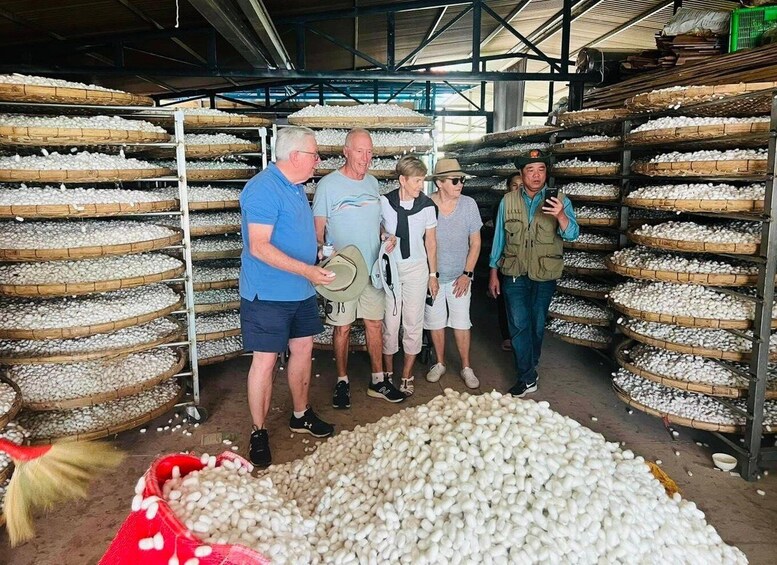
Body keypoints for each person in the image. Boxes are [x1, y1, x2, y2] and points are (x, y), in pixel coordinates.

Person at [239, 126, 335, 468]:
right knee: (265, 361)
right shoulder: (262, 189)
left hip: (300, 290)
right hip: (268, 293)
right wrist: (307, 269)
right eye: (314, 154)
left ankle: (300, 413)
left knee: (303, 350)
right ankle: (259, 431)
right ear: (295, 156)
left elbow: (292, 234)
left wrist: (317, 254)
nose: (317, 160)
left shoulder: (295, 187)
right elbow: (259, 246)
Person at [313, 128, 405, 408]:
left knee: (374, 324)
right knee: (342, 328)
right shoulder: (328, 185)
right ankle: (342, 381)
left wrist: (385, 236)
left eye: (370, 152)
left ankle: (378, 380)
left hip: (372, 270)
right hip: (343, 273)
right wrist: (324, 255)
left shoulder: (373, 183)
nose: (366, 158)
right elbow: (317, 232)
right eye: (360, 151)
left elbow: (375, 224)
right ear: (346, 151)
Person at [488, 149, 579, 398]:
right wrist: (493, 272)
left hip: (544, 273)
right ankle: (526, 376)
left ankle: (530, 365)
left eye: (541, 170)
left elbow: (572, 234)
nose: (536, 175)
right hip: (514, 271)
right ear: (521, 173)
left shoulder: (560, 200)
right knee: (518, 324)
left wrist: (560, 215)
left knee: (537, 325)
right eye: (530, 170)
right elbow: (499, 238)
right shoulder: (508, 201)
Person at [380, 155, 438, 396]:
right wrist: (384, 235)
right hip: (391, 269)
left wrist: (433, 274)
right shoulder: (384, 202)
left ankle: (406, 375)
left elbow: (431, 242)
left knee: (413, 323)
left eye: (422, 180)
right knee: (390, 323)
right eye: (417, 180)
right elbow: (377, 226)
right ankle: (387, 373)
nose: (421, 186)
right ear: (402, 180)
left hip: (417, 269)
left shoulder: (427, 206)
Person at [424, 158, 482, 388]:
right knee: (435, 322)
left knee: (461, 322)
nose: (460, 184)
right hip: (434, 277)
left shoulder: (469, 205)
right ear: (439, 183)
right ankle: (440, 363)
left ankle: (466, 366)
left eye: (462, 180)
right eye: (455, 180)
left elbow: (475, 242)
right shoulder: (426, 204)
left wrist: (467, 274)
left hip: (460, 277)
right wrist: (431, 275)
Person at [492, 172, 522, 352]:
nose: (518, 189)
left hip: (524, 264)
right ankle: (507, 336)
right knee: (505, 300)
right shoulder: (502, 205)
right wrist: (494, 269)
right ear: (508, 188)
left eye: (521, 186)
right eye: (514, 186)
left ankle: (520, 338)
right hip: (507, 261)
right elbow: (498, 238)